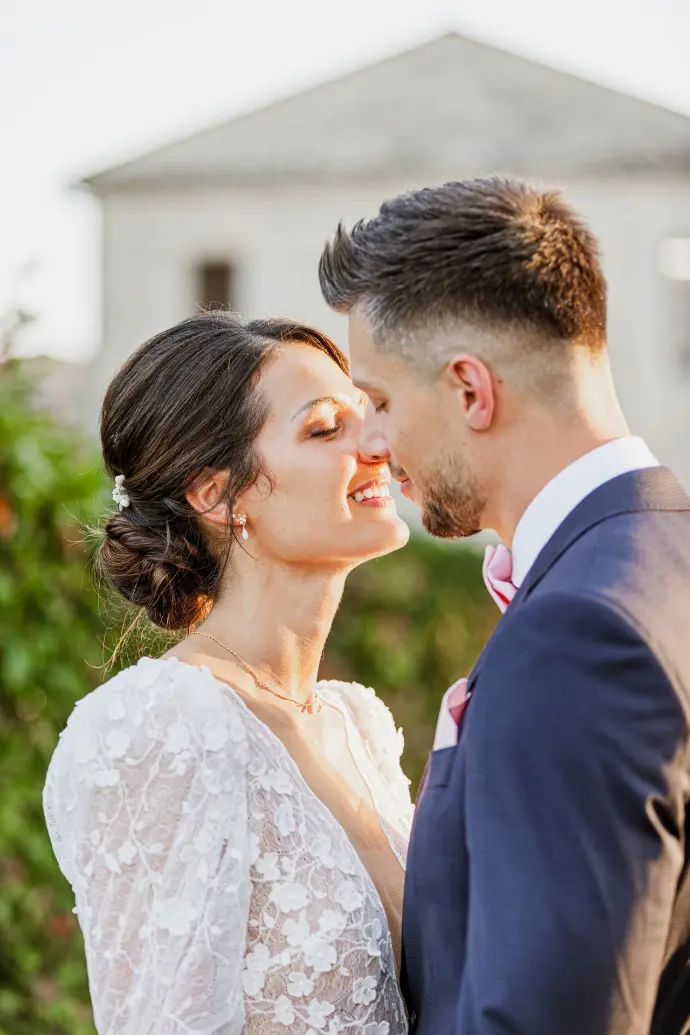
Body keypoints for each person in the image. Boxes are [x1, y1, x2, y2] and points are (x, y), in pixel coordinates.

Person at [319, 176, 690, 1035]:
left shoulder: (580, 632)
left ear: (469, 390)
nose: (368, 444)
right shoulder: (664, 556)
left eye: (377, 400)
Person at [43, 313, 412, 1035]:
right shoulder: (160, 726)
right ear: (218, 494)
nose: (375, 443)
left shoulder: (356, 722)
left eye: (366, 415)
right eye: (324, 428)